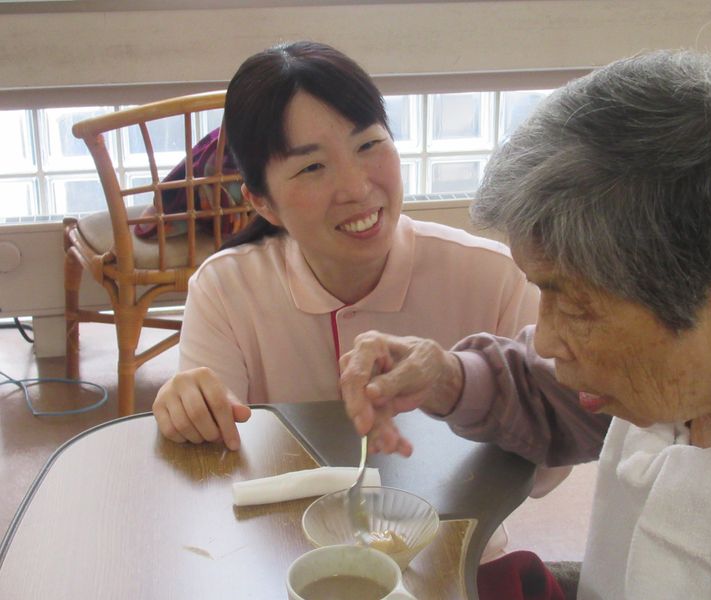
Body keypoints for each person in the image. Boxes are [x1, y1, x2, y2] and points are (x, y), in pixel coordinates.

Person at [339, 50, 711, 599]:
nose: (549, 339)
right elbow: (542, 389)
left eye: (577, 308)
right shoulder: (680, 372)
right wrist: (444, 375)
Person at [152, 41, 540, 455]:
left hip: (455, 519)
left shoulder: (495, 277)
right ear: (262, 203)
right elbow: (215, 457)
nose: (356, 188)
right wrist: (190, 410)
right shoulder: (225, 290)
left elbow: (547, 452)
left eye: (369, 145)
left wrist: (457, 385)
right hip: (280, 520)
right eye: (313, 167)